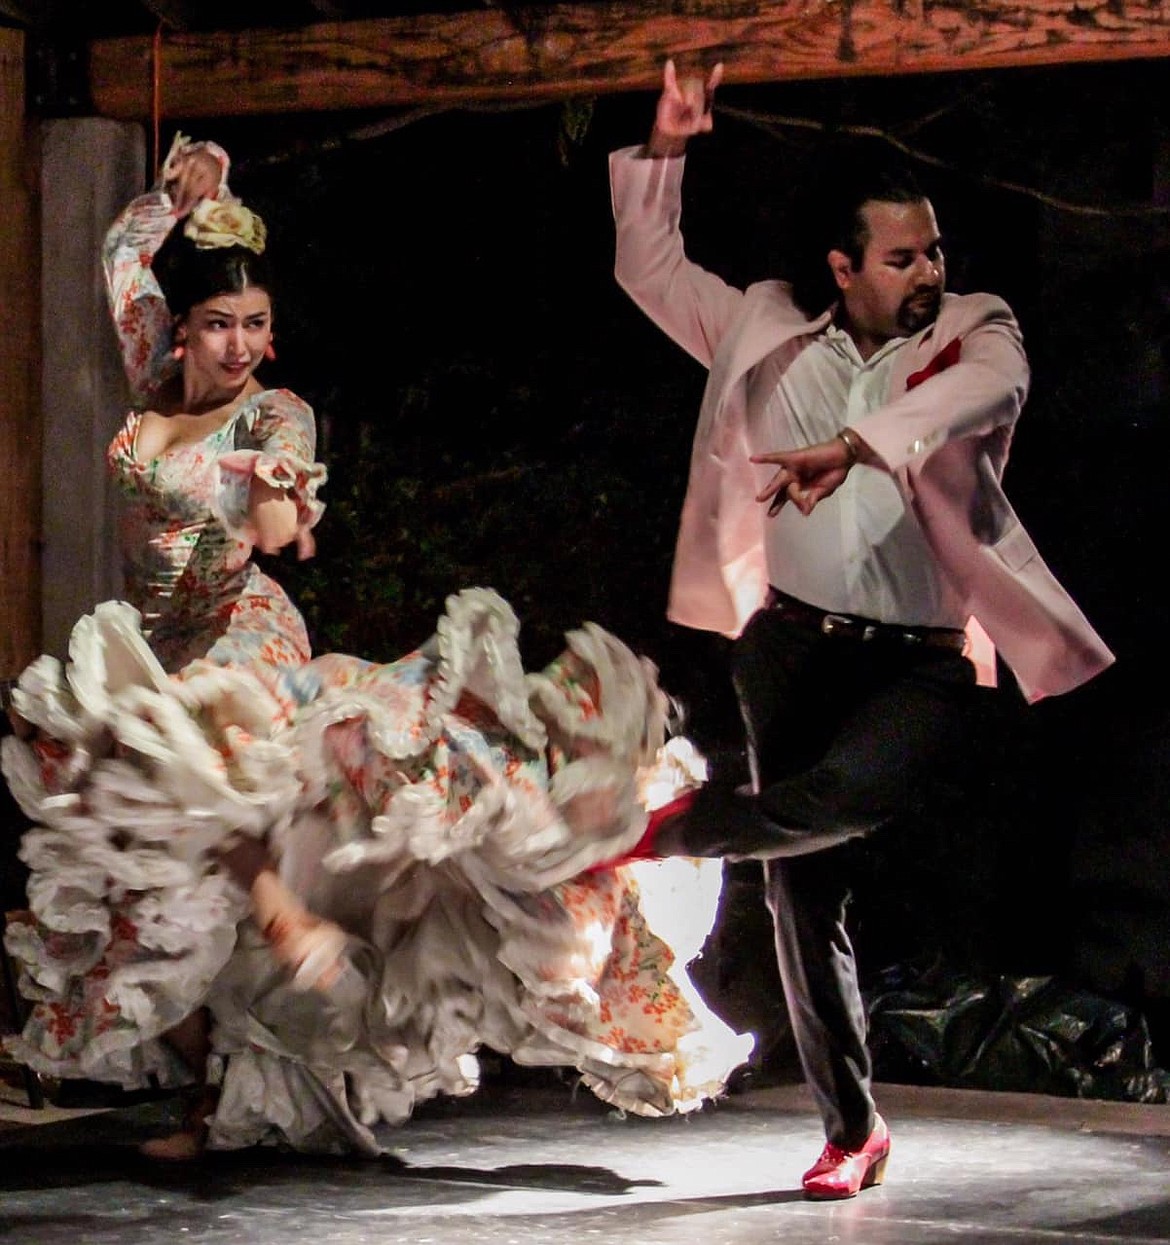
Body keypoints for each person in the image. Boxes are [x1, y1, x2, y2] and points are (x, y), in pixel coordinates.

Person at [2, 133, 751, 1160]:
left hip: (243, 624)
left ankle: (292, 926)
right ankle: (221, 1095)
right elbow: (121, 262)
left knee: (213, 779)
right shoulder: (150, 371)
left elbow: (273, 533)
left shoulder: (278, 414)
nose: (239, 346)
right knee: (161, 870)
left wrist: (271, 501)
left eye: (256, 326)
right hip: (162, 641)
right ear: (179, 331)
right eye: (220, 324)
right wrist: (176, 195)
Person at [609, 61, 1115, 1199]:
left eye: (934, 250)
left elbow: (980, 396)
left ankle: (663, 836)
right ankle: (853, 1129)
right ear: (842, 268)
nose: (931, 271)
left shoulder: (979, 332)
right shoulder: (763, 327)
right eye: (903, 257)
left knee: (842, 799)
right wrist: (668, 150)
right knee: (803, 892)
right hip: (791, 646)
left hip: (921, 664)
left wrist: (857, 443)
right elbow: (645, 267)